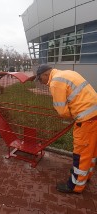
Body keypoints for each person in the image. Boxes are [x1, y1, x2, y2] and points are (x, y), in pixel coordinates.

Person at [35, 64, 97, 194]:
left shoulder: (55, 82)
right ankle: (85, 176)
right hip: (94, 114)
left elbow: (62, 111)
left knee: (81, 153)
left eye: (40, 79)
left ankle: (75, 185)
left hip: (86, 119)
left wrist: (71, 115)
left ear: (46, 74)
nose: (41, 82)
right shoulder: (67, 73)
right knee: (91, 151)